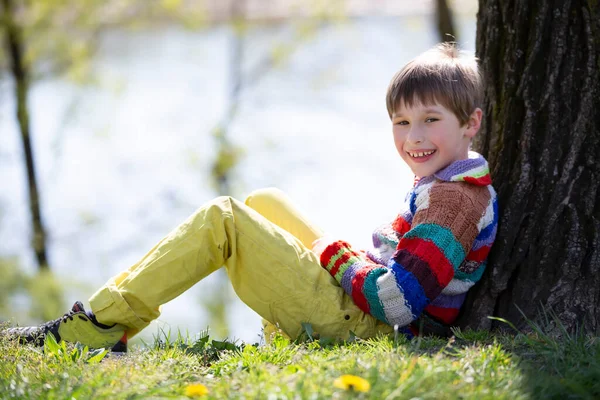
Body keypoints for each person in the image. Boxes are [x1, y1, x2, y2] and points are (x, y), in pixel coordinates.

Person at [3, 43, 498, 351]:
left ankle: (98, 326)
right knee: (265, 201)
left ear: (470, 123)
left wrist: (333, 256)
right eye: (402, 122)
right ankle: (279, 334)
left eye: (431, 120)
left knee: (224, 218)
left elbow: (396, 301)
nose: (414, 138)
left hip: (371, 325)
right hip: (366, 303)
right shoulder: (447, 182)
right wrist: (352, 258)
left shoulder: (453, 201)